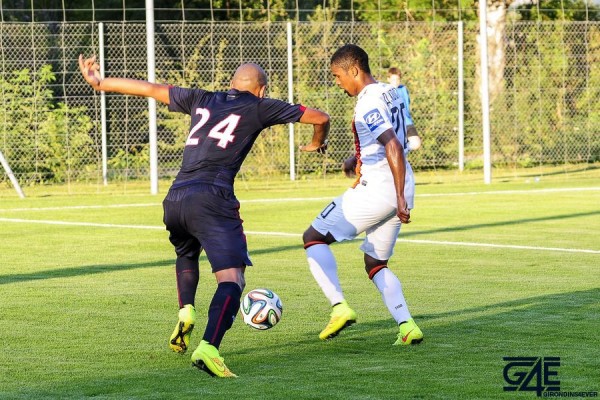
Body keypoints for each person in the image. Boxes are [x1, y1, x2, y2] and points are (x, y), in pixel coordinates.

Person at [79, 55, 330, 378]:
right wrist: (315, 144)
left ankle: (186, 311)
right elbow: (320, 117)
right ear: (262, 90)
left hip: (176, 198)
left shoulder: (201, 97)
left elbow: (151, 89)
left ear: (231, 84)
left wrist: (100, 83)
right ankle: (209, 348)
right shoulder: (259, 106)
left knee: (186, 252)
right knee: (232, 279)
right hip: (212, 198)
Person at [302, 44, 423, 346]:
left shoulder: (368, 103)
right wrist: (354, 162)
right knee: (375, 262)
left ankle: (339, 307)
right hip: (403, 181)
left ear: (353, 70)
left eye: (338, 76)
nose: (338, 83)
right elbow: (390, 142)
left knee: (313, 237)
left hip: (383, 189)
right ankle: (407, 326)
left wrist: (398, 198)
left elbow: (393, 144)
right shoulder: (389, 91)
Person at [387, 67, 421, 155]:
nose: (396, 82)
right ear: (388, 79)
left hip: (407, 122)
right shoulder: (386, 91)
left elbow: (407, 103)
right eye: (393, 79)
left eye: (397, 79)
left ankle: (403, 151)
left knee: (416, 143)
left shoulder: (403, 89)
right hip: (394, 124)